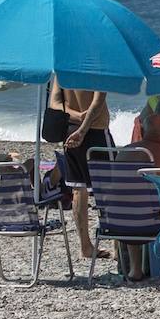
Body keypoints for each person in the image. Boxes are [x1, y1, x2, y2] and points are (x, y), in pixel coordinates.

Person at [51, 81, 114, 259]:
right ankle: (118, 246)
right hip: (95, 131)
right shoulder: (94, 67)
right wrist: (84, 127)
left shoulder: (62, 69)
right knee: (109, 190)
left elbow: (55, 105)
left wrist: (77, 117)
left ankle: (85, 246)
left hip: (70, 130)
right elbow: (97, 102)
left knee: (78, 189)